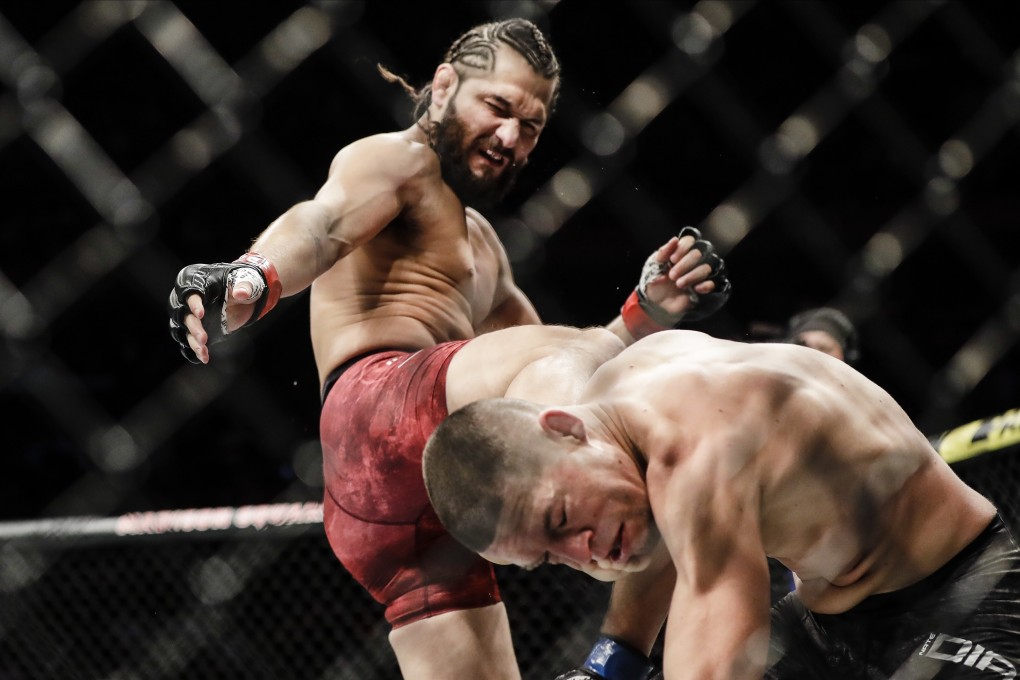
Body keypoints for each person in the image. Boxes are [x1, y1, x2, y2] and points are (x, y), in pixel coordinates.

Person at [166, 18, 730, 680]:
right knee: (653, 432)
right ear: (443, 88)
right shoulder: (399, 161)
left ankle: (608, 662)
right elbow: (323, 222)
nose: (513, 137)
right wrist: (253, 276)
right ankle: (626, 657)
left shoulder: (486, 247)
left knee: (614, 411)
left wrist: (644, 313)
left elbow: (558, 377)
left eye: (533, 125)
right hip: (378, 412)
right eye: (497, 107)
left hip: (409, 513)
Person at [423, 330, 1020, 679]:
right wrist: (611, 665)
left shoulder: (694, 445)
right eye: (550, 558)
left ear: (565, 430)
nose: (584, 555)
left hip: (967, 593)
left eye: (560, 520)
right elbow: (661, 529)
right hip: (826, 624)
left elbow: (716, 659)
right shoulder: (623, 411)